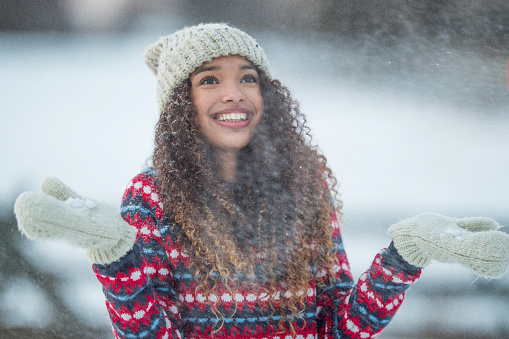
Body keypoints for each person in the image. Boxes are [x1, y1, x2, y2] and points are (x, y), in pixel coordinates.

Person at [14, 23, 509, 339]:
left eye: (247, 77)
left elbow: (341, 327)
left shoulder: (305, 185)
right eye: (209, 79)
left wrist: (405, 256)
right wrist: (116, 258)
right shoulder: (151, 197)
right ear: (179, 107)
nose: (234, 93)